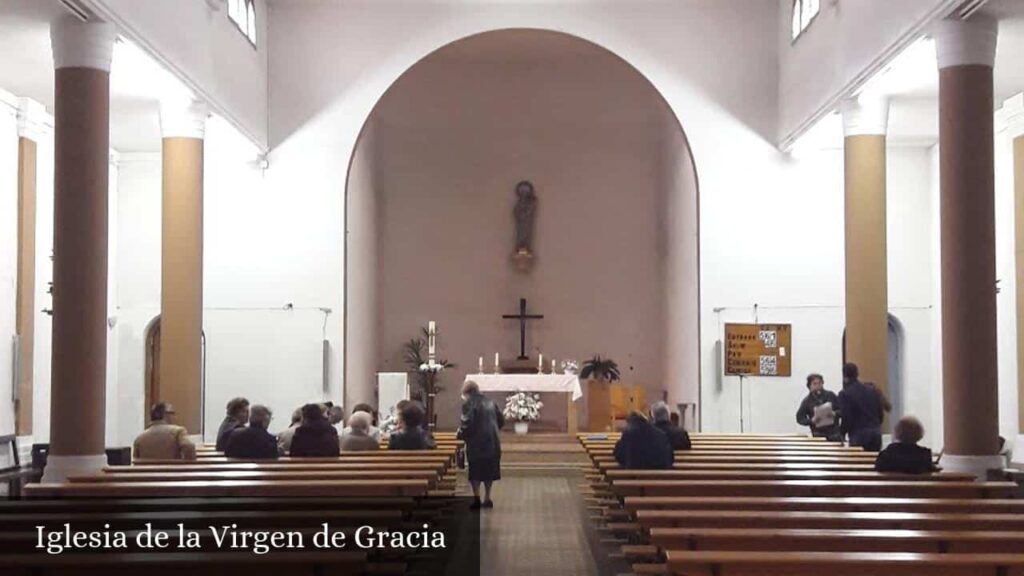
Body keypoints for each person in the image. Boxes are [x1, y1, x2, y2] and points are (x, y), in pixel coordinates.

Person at [458, 380, 504, 509]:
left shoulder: (468, 403)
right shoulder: (491, 402)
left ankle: (476, 498)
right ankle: (488, 497)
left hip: (476, 442)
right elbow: (501, 420)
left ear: (466, 392)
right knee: (489, 470)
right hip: (492, 441)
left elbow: (467, 423)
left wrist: (461, 434)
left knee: (476, 471)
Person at [837, 363, 884, 451]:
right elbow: (880, 413)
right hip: (876, 433)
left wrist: (842, 433)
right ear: (857, 374)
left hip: (859, 435)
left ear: (844, 376)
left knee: (858, 462)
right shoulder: (872, 390)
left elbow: (847, 417)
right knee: (874, 461)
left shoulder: (845, 394)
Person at [795, 373, 841, 441]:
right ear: (809, 386)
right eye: (814, 384)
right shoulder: (807, 401)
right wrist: (811, 420)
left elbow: (842, 410)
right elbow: (799, 418)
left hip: (834, 433)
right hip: (818, 434)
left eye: (819, 383)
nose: (818, 386)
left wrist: (835, 413)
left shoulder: (831, 395)